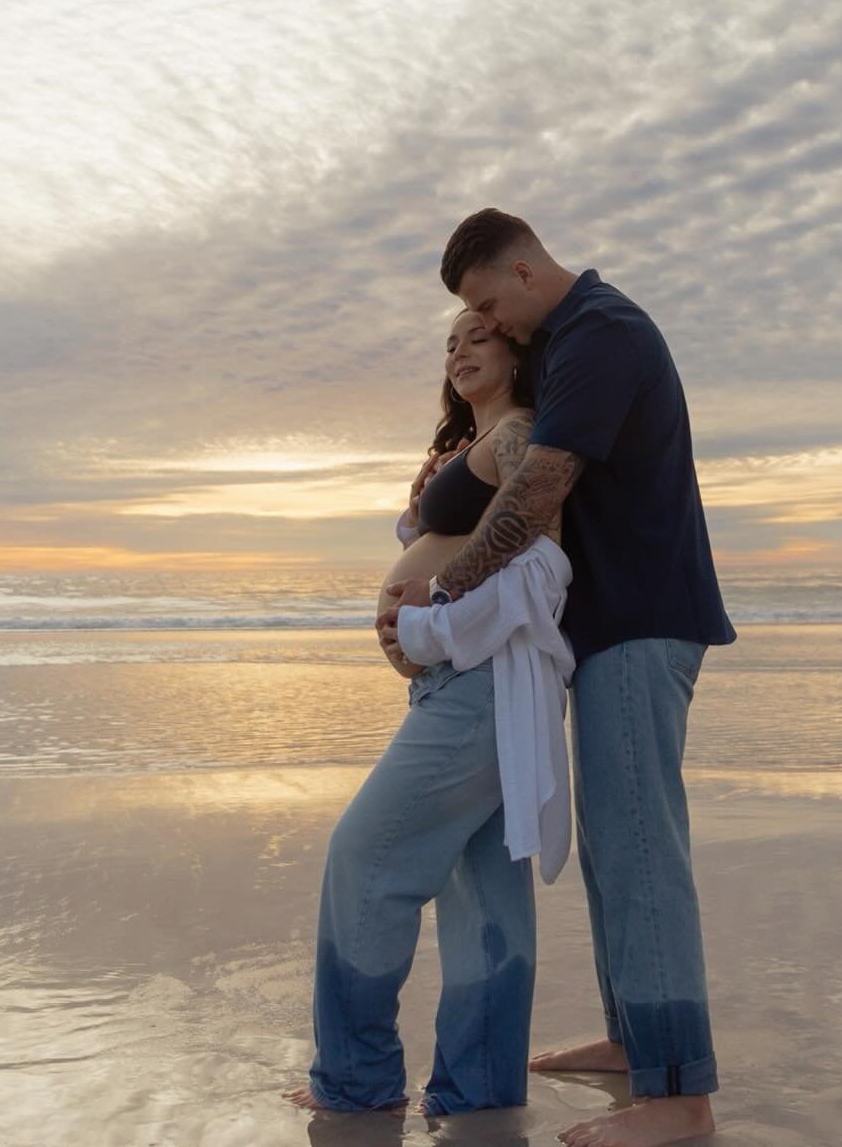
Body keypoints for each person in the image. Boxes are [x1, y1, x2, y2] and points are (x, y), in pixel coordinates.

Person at [380, 209, 736, 1147]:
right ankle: (634, 1042)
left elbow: (539, 487)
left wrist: (440, 602)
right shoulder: (570, 341)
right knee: (616, 847)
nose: (492, 324)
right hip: (607, 630)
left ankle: (681, 1094)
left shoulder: (600, 333)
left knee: (640, 848)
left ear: (525, 271)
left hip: (641, 621)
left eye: (490, 303)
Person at [284, 307, 572, 1116]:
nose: (458, 351)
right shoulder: (477, 442)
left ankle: (355, 1081)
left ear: (516, 350)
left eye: (478, 336)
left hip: (477, 684)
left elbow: (540, 554)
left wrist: (435, 613)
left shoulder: (520, 433)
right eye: (449, 343)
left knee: (364, 859)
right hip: (468, 686)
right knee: (482, 895)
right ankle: (479, 1094)